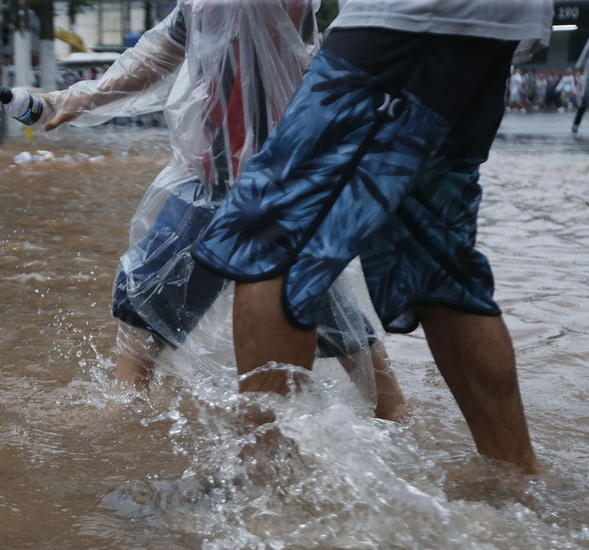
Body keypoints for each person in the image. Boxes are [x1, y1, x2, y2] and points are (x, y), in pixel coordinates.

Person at [191, 0, 552, 473]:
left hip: (409, 23)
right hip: (484, 31)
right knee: (436, 261)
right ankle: (517, 482)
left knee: (271, 229)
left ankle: (259, 483)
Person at [41, 0, 404, 419]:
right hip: (214, 170)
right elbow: (164, 48)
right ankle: (124, 411)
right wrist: (80, 98)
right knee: (151, 283)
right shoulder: (198, 4)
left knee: (312, 295)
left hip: (276, 169)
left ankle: (390, 411)